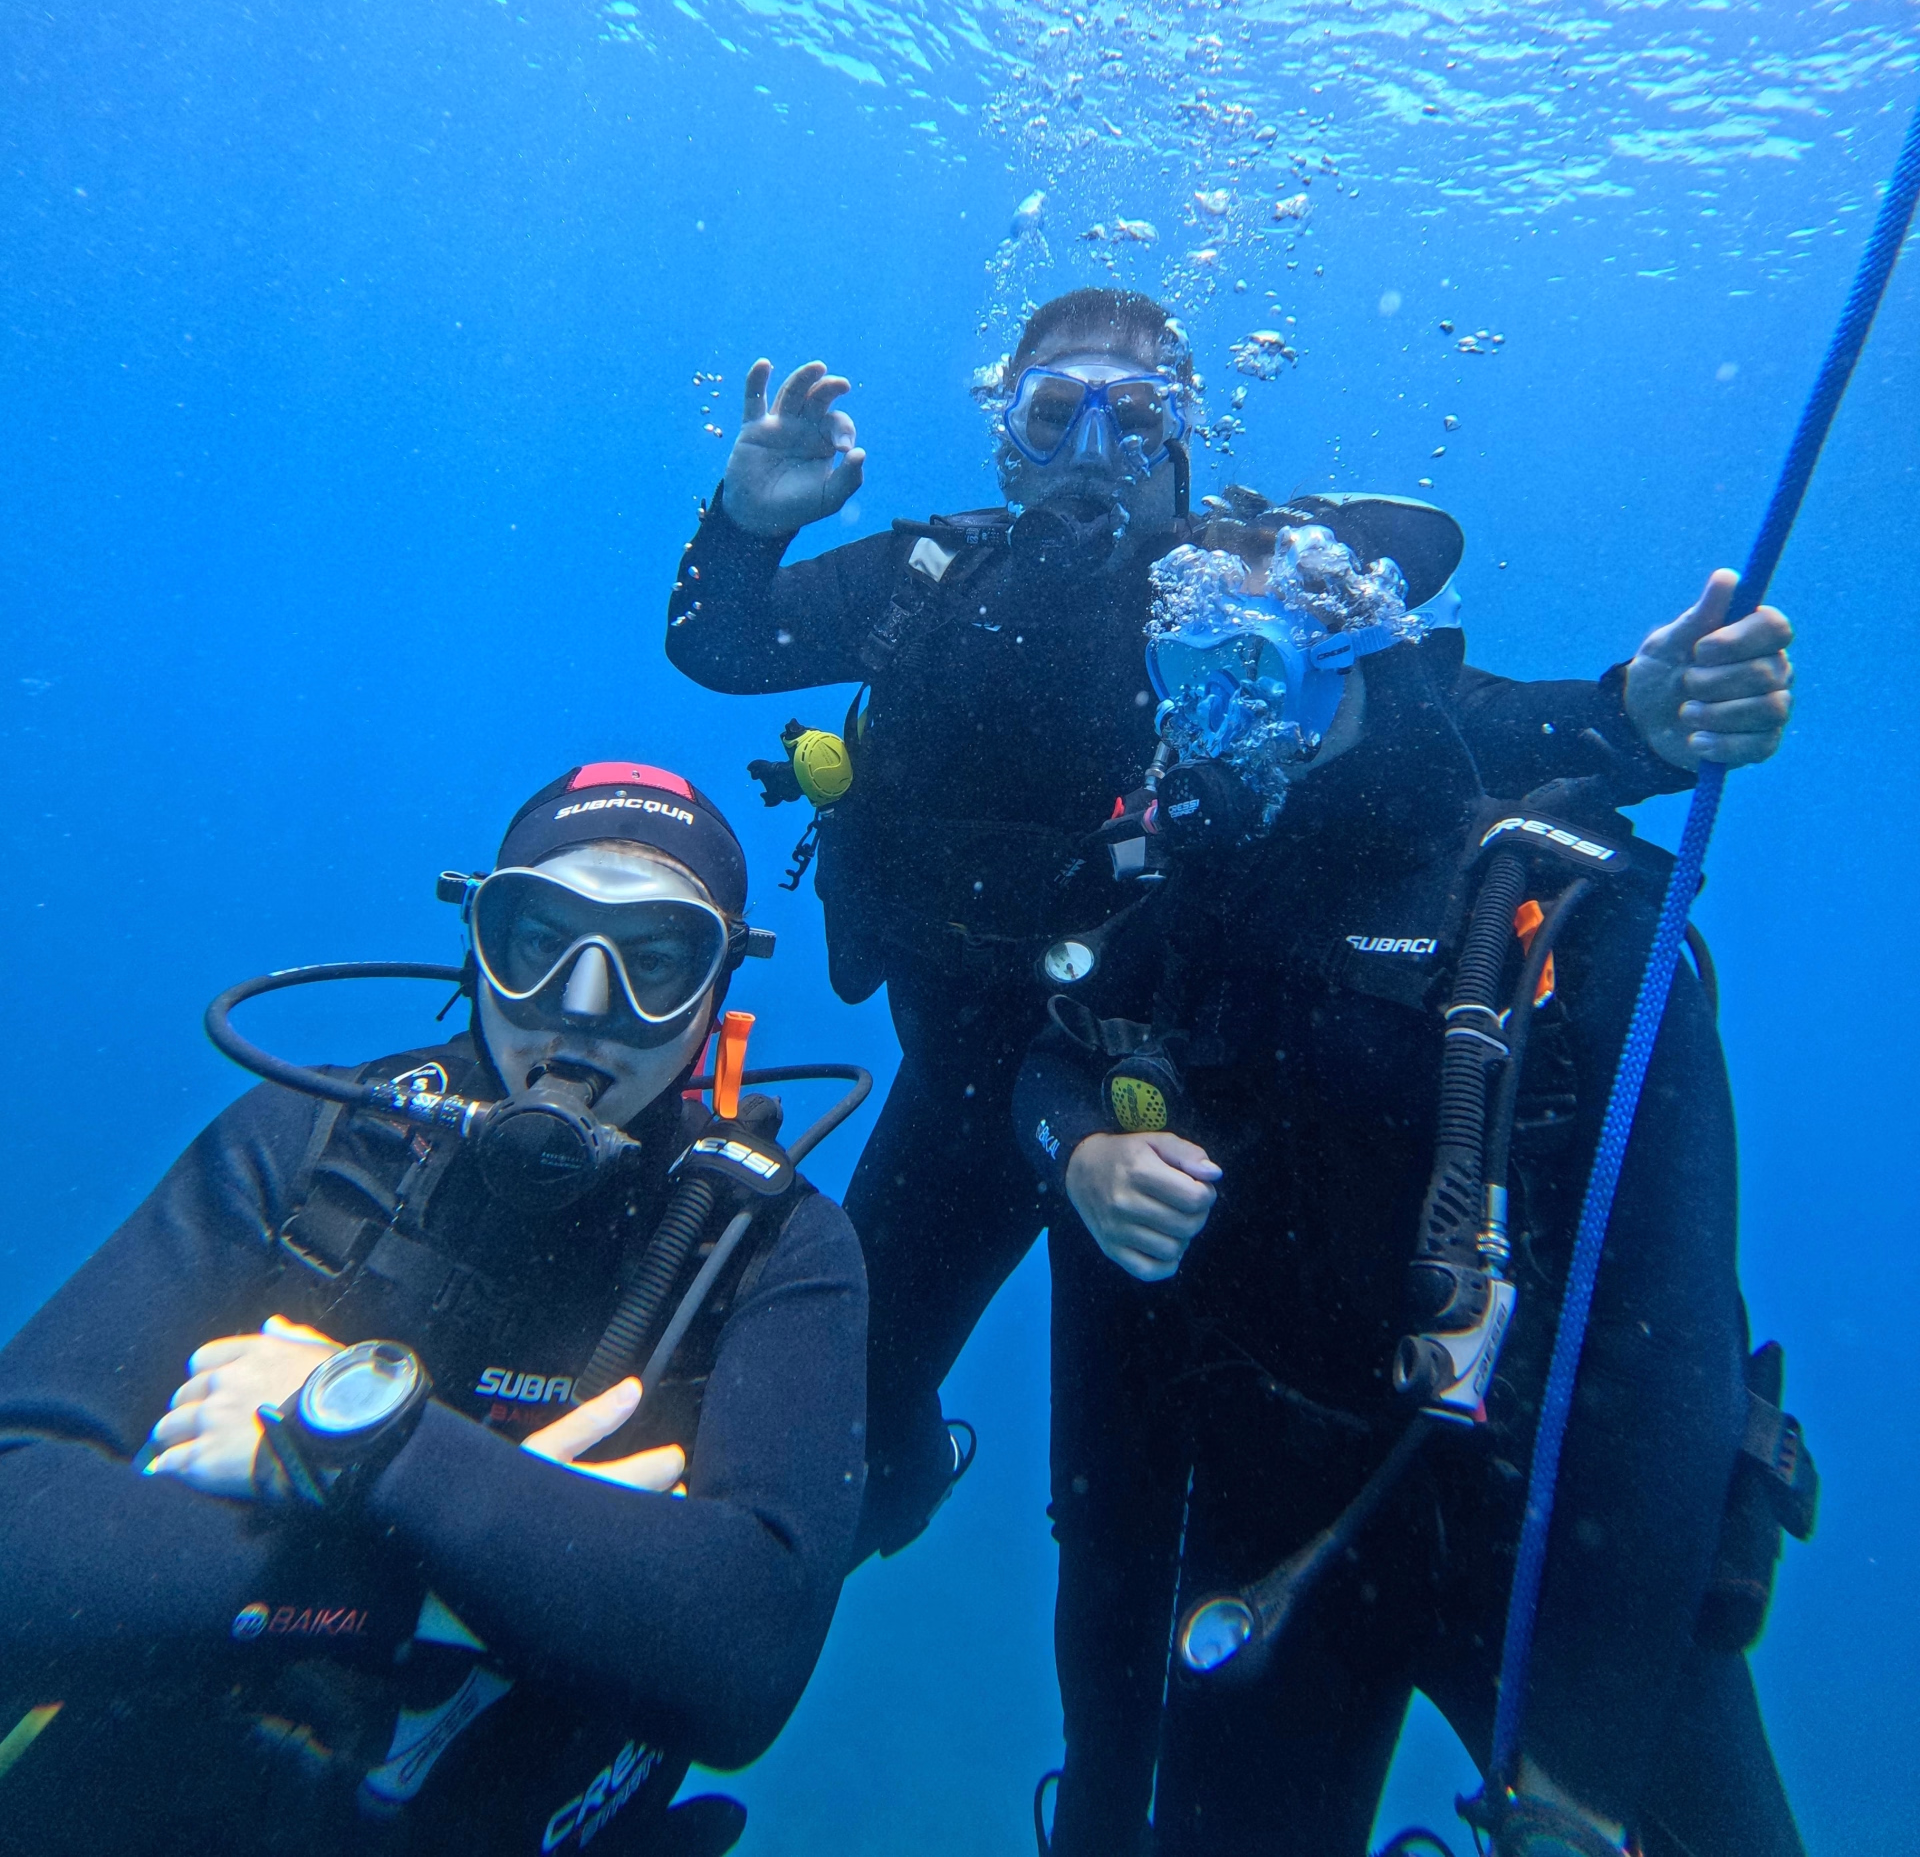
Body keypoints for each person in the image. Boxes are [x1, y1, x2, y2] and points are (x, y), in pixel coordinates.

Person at [664, 286, 1795, 1556]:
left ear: (1183, 433)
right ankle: (899, 1481)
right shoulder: (926, 582)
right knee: (847, 1420)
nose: (1091, 452)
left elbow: (1447, 727)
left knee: (1132, 1516)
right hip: (967, 1091)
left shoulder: (1236, 604)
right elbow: (719, 641)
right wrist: (746, 520)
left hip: (1174, 1101)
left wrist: (1626, 720)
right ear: (1005, 436)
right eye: (1051, 414)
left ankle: (1137, 1724)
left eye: (1133, 417)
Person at [1011, 513, 1811, 1857]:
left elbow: (1670, 1358)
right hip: (1280, 1499)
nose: (1218, 725)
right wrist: (1084, 1151)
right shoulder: (1185, 882)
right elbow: (1049, 1058)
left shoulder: (1574, 915)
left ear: (1362, 661)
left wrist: (1582, 1771)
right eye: (1185, 678)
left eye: (1255, 674)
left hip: (1562, 1524)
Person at [0, 761, 867, 1857]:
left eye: (655, 958)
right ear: (477, 940)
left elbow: (745, 1659)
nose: (584, 1004)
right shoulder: (311, 1144)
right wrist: (442, 1581)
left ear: (716, 993)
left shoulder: (766, 1242)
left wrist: (355, 1445)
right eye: (537, 937)